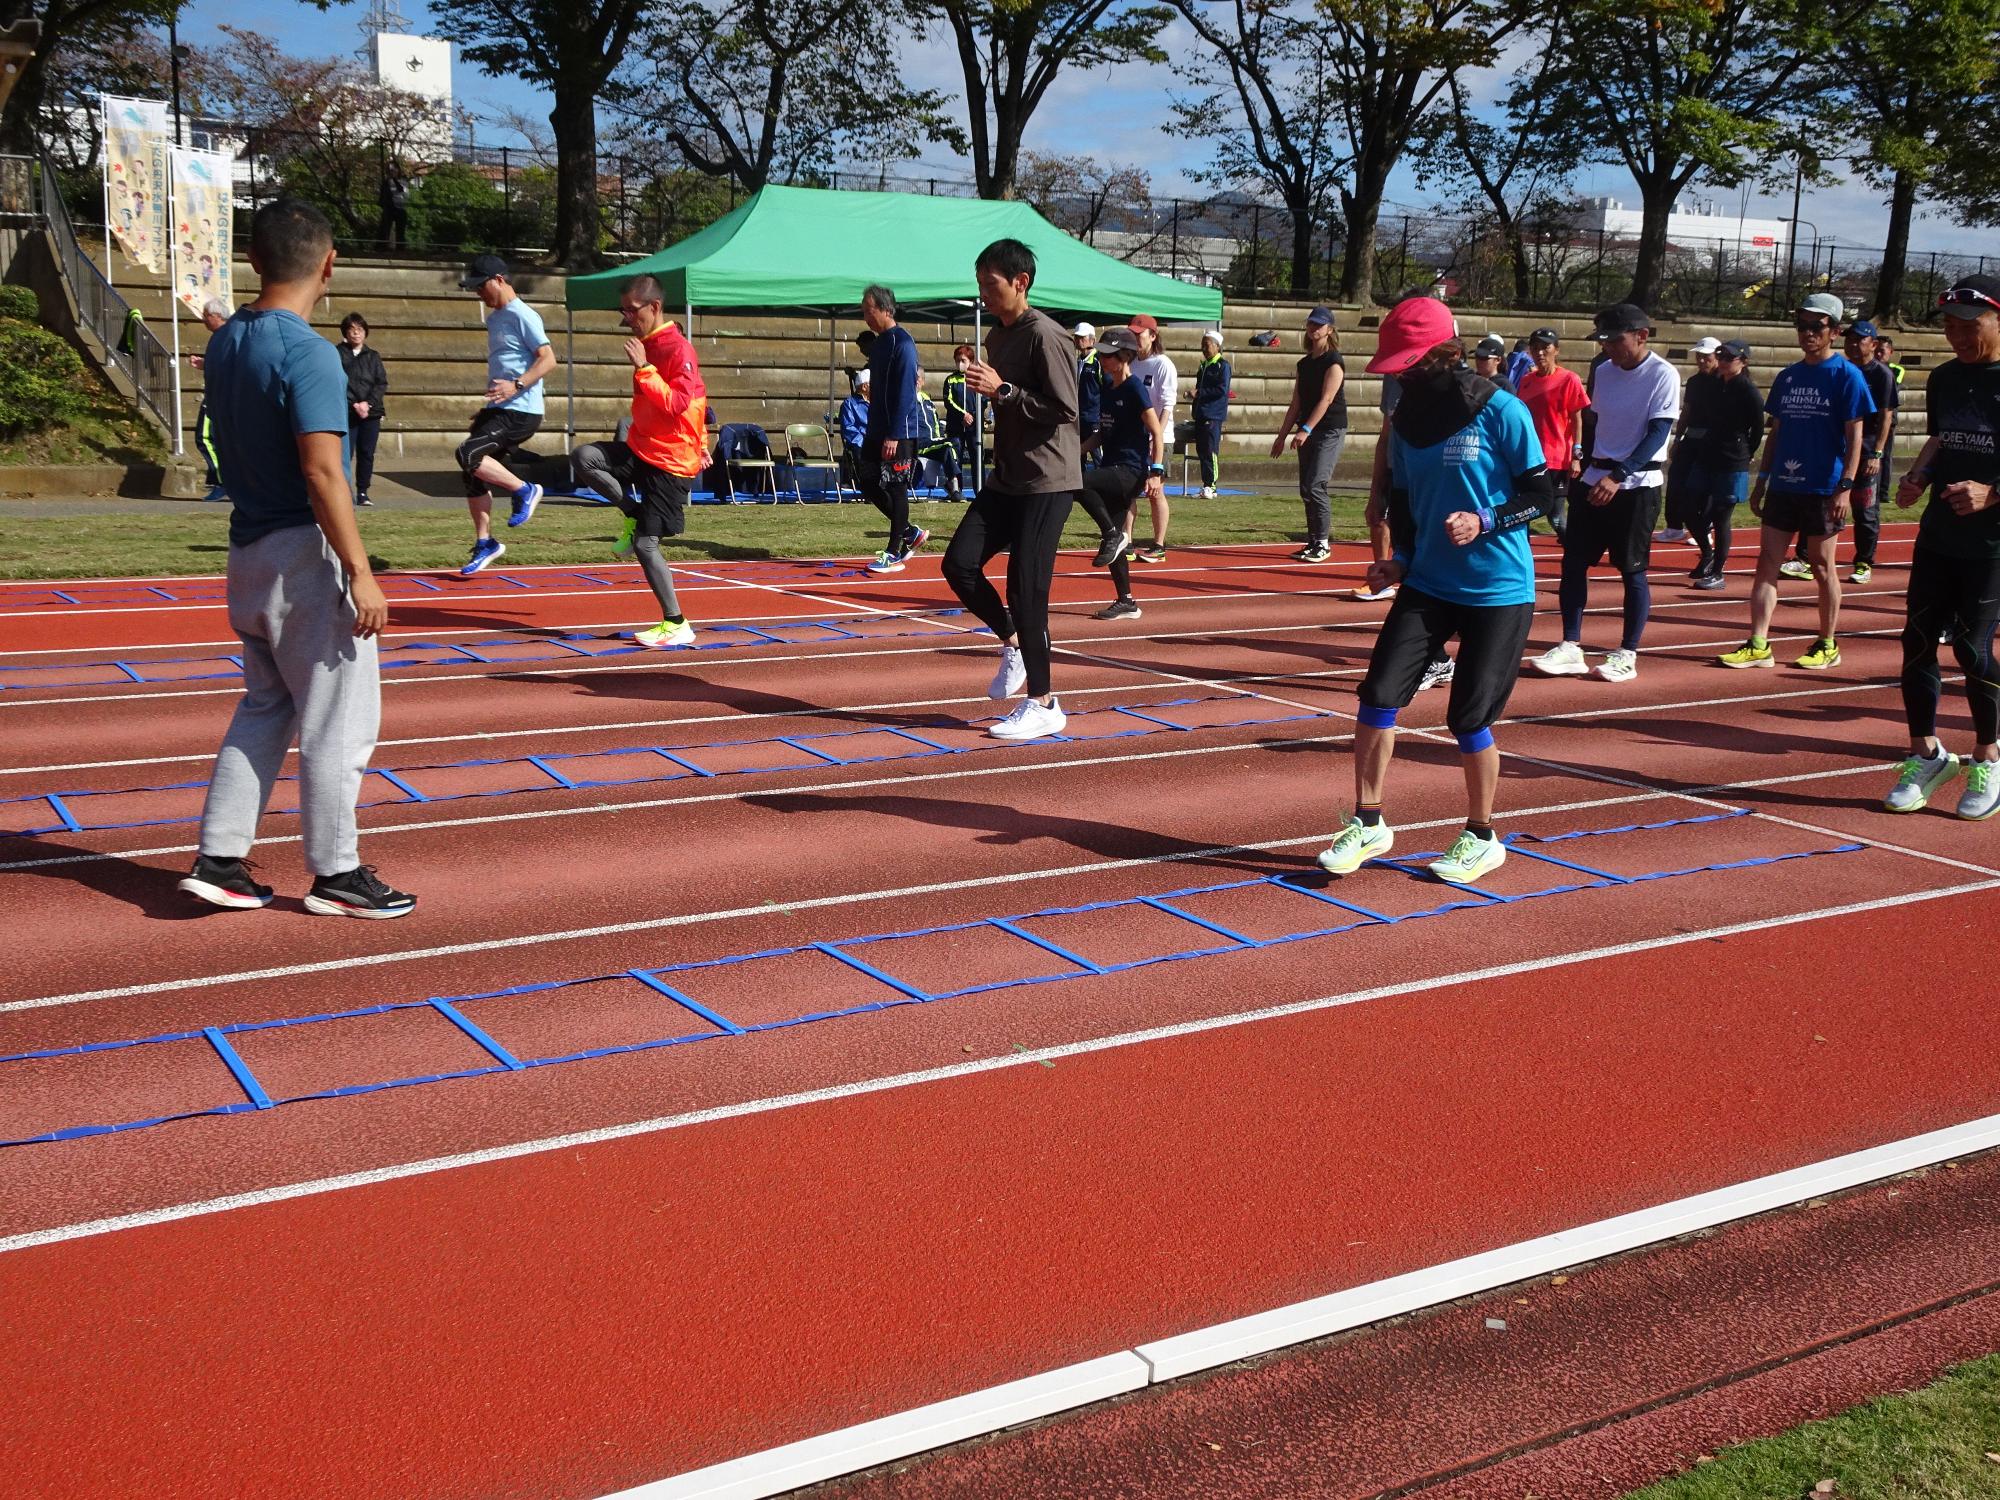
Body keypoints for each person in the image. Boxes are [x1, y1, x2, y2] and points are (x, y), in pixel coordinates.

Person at [176, 198, 413, 920]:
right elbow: (323, 471)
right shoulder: (309, 353)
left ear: (253, 259)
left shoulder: (227, 341)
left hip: (246, 549)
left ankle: (220, 858)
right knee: (339, 719)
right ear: (330, 263)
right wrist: (361, 573)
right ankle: (337, 871)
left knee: (265, 706)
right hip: (301, 555)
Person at [1316, 295, 1553, 888]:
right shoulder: (1404, 421)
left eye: (1409, 364)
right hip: (1427, 583)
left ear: (1442, 354)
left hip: (1498, 590)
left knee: (1468, 717)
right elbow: (1404, 501)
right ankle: (1369, 821)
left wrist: (1485, 520)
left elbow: (1542, 495)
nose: (1401, 376)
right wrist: (1399, 560)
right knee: (1377, 695)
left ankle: (1482, 835)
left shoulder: (1500, 408)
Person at [942, 238, 1080, 742]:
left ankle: (1044, 703)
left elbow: (1066, 409)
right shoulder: (997, 336)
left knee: (1027, 589)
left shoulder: (1047, 335)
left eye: (990, 283)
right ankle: (1013, 640)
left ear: (1020, 283)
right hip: (1008, 478)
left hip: (1047, 480)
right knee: (958, 563)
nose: (982, 292)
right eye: (978, 282)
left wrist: (1003, 390)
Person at [1882, 273, 2000, 820]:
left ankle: (1988, 757)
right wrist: (1919, 476)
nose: (1956, 335)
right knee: (1917, 641)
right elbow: (1941, 436)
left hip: (1992, 542)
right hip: (1939, 533)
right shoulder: (1946, 377)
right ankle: (1926, 754)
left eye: (1969, 324)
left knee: (1973, 649)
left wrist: (1992, 493)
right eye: (1950, 325)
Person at [1718, 293, 1875, 671]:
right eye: (1802, 325)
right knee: (1767, 561)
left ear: (1834, 331)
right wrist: (1762, 479)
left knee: (1822, 567)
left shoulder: (1847, 376)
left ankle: (1827, 643)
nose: (1807, 333)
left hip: (1824, 487)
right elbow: (1776, 432)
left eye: (1816, 326)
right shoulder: (1788, 376)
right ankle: (1759, 643)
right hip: (1784, 486)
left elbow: (1855, 437)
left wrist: (1846, 486)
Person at [1530, 303, 1680, 684]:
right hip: (1594, 476)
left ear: (1641, 336)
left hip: (1637, 485)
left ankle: (1627, 652)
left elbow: (1657, 433)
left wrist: (1619, 475)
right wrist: (1583, 464)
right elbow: (1595, 421)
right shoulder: (1603, 370)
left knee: (1632, 569)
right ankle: (1570, 645)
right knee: (1573, 562)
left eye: (1615, 340)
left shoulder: (1663, 374)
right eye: (1604, 341)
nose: (1607, 347)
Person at [569, 274, 709, 650]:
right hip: (641, 448)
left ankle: (676, 623)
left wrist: (645, 368)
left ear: (654, 306)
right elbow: (696, 400)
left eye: (632, 311)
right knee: (584, 458)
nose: (626, 318)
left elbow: (681, 403)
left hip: (670, 462)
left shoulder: (678, 349)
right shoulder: (648, 343)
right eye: (623, 311)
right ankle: (631, 512)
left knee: (646, 546)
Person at [454, 254, 556, 575]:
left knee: (467, 453)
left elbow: (548, 359)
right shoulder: (495, 318)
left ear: (499, 280)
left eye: (480, 286)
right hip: (499, 408)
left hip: (521, 410)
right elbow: (505, 363)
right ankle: (485, 543)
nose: (477, 293)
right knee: (471, 472)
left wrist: (516, 385)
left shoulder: (523, 314)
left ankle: (525, 490)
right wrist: (487, 410)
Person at [1074, 327, 1166, 620]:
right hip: (1111, 466)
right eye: (1101, 354)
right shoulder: (1106, 387)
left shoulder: (1134, 388)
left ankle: (1115, 534)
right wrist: (1077, 451)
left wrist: (1156, 472)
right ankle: (1127, 601)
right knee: (1111, 543)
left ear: (1125, 356)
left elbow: (1156, 432)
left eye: (1108, 355)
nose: (1102, 359)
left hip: (1131, 470)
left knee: (1077, 483)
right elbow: (1102, 433)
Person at [1682, 338, 1765, 589]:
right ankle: (1707, 554)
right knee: (1689, 507)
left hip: (1732, 460)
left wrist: (1746, 451)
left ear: (1743, 361)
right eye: (1721, 356)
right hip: (1708, 454)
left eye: (1729, 357)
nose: (1723, 362)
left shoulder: (1748, 391)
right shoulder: (1714, 385)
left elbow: (1758, 428)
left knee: (1721, 516)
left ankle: (1718, 572)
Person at [1269, 306, 1348, 564]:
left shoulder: (1334, 361)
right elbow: (1296, 403)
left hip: (1329, 429)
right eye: (1311, 324)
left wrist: (1305, 429)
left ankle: (1323, 542)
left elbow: (1327, 399)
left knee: (1316, 484)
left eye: (1319, 325)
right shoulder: (1303, 364)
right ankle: (1313, 540)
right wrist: (1281, 436)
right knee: (1306, 487)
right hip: (1309, 429)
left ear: (1330, 329)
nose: (1314, 328)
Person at [857, 285, 926, 575]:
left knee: (897, 487)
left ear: (886, 310)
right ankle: (909, 531)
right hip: (876, 428)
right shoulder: (879, 344)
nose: (865, 317)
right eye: (863, 311)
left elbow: (906, 393)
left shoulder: (903, 343)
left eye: (869, 311)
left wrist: (894, 434)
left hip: (900, 431)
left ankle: (894, 552)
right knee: (867, 481)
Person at [1513, 326, 1588, 541]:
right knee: (1522, 514)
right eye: (1535, 348)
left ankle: (1575, 554)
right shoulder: (1526, 381)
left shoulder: (1569, 379)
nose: (1540, 353)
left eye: (1545, 347)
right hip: (1529, 457)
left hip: (1556, 458)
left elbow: (1577, 419)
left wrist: (1577, 455)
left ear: (1556, 350)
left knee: (1555, 516)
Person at [1843, 318, 1898, 584]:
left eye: (1859, 339)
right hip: (1839, 450)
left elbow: (1886, 416)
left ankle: (1864, 561)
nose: (1853, 344)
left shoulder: (1882, 375)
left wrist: (1877, 453)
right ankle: (1806, 557)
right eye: (1849, 339)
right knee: (1822, 502)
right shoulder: (1841, 370)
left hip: (1866, 452)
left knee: (1865, 509)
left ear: (1873, 344)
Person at [1127, 313, 1178, 561]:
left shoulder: (1162, 364)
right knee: (1127, 491)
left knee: (1155, 491)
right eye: (1133, 334)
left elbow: (1167, 404)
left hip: (1159, 437)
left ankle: (1159, 545)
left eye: (1140, 334)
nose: (1135, 338)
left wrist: (1156, 435)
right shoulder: (1132, 364)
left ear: (1153, 336)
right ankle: (1126, 542)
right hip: (1134, 437)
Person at [1661, 336, 1722, 541]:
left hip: (1712, 440)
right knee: (1676, 480)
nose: (1701, 361)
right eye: (1699, 356)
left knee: (1703, 487)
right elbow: (1687, 411)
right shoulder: (1695, 382)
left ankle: (1704, 530)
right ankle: (1674, 527)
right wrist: (1678, 439)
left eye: (1706, 356)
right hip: (1691, 437)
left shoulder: (1724, 382)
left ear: (1717, 356)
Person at [338, 312, 387, 509]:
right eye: (351, 330)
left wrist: (368, 404)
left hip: (371, 414)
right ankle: (343, 491)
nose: (356, 333)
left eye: (359, 329)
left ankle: (363, 491)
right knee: (344, 454)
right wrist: (354, 404)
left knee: (366, 453)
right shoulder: (337, 354)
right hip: (347, 413)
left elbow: (381, 383)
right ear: (345, 333)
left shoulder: (373, 356)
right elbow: (337, 382)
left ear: (365, 332)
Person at [189, 296, 233, 502]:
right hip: (221, 395)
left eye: (206, 316)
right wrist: (204, 364)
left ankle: (222, 482)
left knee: (205, 438)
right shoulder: (225, 335)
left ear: (217, 316)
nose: (203, 320)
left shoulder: (226, 336)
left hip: (219, 397)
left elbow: (229, 364)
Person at [1190, 328, 1231, 499]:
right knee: (1202, 450)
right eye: (1202, 345)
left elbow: (1222, 390)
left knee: (1210, 449)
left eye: (1206, 345)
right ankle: (1206, 484)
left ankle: (1211, 486)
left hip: (1213, 414)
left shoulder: (1223, 366)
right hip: (1201, 413)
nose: (1204, 349)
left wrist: (1199, 393)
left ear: (1217, 346)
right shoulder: (1203, 366)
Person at [914, 370, 965, 500]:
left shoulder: (927, 400)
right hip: (919, 444)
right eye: (912, 377)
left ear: (923, 381)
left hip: (933, 443)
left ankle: (953, 486)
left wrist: (940, 436)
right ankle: (954, 485)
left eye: (918, 378)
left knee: (949, 446)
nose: (916, 381)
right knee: (952, 442)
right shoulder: (906, 400)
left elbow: (936, 423)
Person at [944, 344, 977, 487]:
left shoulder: (976, 379)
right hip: (955, 426)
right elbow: (948, 401)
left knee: (976, 458)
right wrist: (963, 415)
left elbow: (982, 401)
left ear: (970, 361)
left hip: (974, 427)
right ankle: (957, 490)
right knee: (956, 457)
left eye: (963, 360)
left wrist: (972, 416)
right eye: (957, 360)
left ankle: (979, 489)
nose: (960, 363)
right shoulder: (950, 380)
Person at [1073, 322, 1103, 447]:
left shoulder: (1099, 361)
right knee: (1079, 451)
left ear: (1092, 340)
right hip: (1078, 416)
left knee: (1096, 453)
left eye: (1082, 337)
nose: (1078, 340)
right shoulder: (1078, 361)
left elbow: (1106, 387)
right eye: (1076, 337)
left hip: (1094, 418)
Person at [839, 369, 870, 486]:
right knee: (862, 450)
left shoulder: (878, 402)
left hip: (877, 439)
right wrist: (864, 442)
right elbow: (848, 428)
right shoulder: (849, 404)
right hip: (860, 442)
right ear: (865, 386)